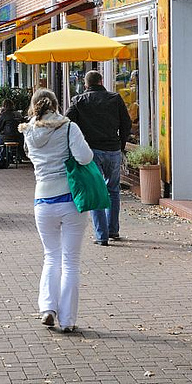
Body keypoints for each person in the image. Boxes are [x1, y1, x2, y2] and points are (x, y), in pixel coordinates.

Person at [21, 88, 95, 333]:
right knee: (71, 261)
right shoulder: (69, 127)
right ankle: (68, 320)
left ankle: (47, 308)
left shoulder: (29, 131)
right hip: (71, 199)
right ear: (56, 105)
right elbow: (84, 157)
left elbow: (31, 157)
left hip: (42, 200)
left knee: (50, 256)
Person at [65, 70, 132, 246]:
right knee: (113, 190)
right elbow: (126, 123)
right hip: (113, 150)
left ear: (86, 85)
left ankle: (101, 235)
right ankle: (113, 229)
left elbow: (66, 122)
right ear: (101, 81)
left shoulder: (79, 101)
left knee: (96, 190)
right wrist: (121, 144)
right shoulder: (115, 98)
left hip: (92, 151)